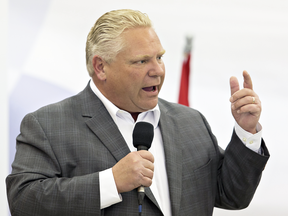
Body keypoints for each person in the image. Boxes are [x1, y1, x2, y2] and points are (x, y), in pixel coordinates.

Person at [6, 9, 269, 216]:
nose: (157, 70)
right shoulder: (47, 125)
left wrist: (246, 132)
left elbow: (232, 195)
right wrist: (110, 182)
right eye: (141, 61)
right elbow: (24, 202)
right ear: (101, 67)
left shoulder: (191, 122)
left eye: (160, 57)